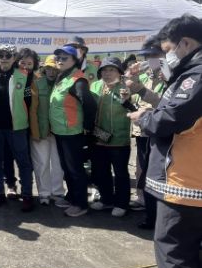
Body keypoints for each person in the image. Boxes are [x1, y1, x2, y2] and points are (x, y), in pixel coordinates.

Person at [133, 15, 202, 268]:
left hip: (185, 182)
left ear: (185, 43)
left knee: (175, 252)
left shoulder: (196, 75)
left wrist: (144, 119)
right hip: (191, 177)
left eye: (167, 50)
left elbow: (170, 119)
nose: (165, 57)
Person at [0, 45, 38, 212]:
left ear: (14, 58)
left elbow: (29, 101)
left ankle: (27, 195)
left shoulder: (24, 75)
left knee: (23, 162)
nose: (4, 58)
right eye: (1, 55)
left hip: (16, 127)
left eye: (8, 55)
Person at [126, 35, 168, 229]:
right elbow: (130, 91)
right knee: (144, 173)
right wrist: (132, 76)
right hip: (142, 130)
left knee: (157, 174)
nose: (150, 59)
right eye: (147, 56)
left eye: (154, 55)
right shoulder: (146, 74)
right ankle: (150, 214)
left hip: (160, 132)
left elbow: (163, 102)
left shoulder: (169, 74)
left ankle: (157, 217)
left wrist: (140, 89)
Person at [50, 45, 97, 217]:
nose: (59, 61)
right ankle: (71, 197)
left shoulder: (78, 80)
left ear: (74, 61)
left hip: (72, 132)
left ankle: (81, 204)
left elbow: (90, 105)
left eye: (64, 58)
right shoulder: (63, 76)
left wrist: (87, 128)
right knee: (67, 168)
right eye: (58, 58)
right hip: (60, 131)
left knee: (75, 169)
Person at [88, 57, 135, 217]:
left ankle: (122, 204)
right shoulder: (95, 85)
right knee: (102, 171)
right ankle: (106, 200)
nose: (107, 73)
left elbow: (134, 109)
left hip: (119, 139)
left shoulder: (126, 88)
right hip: (99, 137)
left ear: (120, 72)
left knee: (120, 173)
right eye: (104, 70)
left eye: (112, 70)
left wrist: (127, 100)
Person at [29, 55, 65, 206]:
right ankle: (44, 193)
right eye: (48, 68)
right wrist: (35, 131)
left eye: (54, 69)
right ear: (44, 69)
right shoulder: (36, 83)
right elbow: (32, 110)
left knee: (58, 163)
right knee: (42, 163)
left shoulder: (64, 84)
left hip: (59, 131)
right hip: (41, 131)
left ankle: (58, 192)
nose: (51, 72)